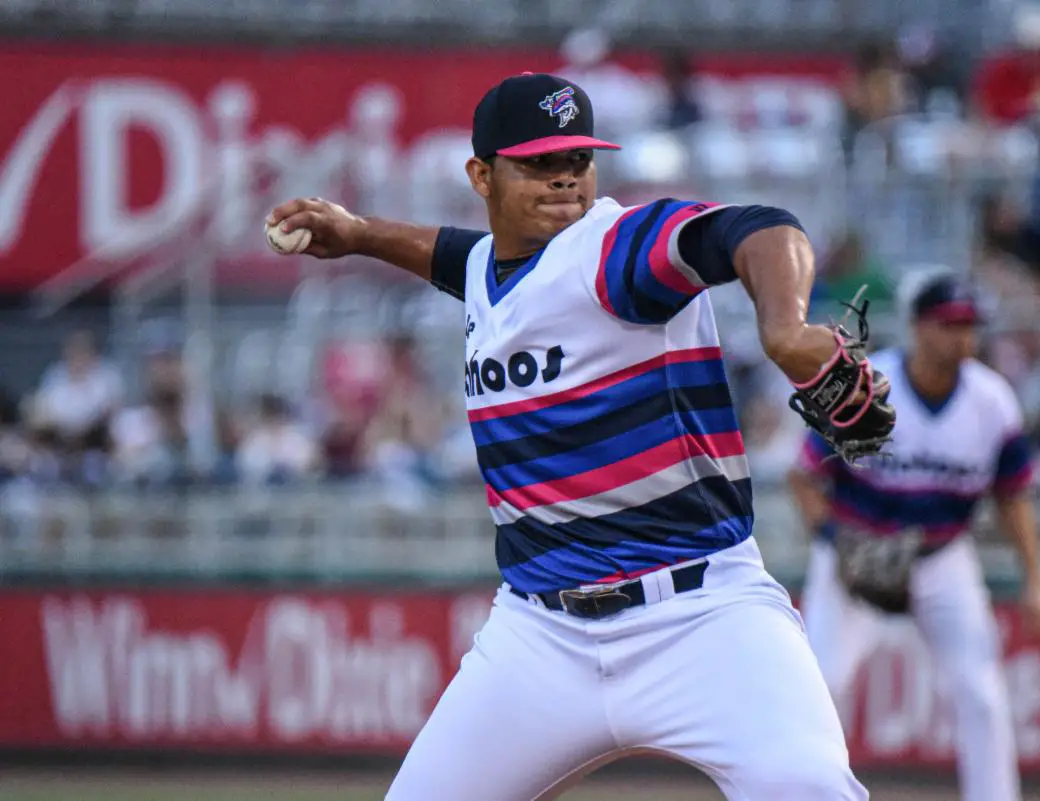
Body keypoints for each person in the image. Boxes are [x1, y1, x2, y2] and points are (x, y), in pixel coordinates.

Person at [267, 73, 894, 800]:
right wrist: (358, 233)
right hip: (541, 637)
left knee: (807, 786)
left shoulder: (616, 249)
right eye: (536, 161)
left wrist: (784, 323)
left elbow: (758, 227)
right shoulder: (487, 271)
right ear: (481, 174)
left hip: (699, 617)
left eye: (577, 157)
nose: (564, 174)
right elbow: (456, 257)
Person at [788, 269, 1040, 801]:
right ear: (917, 327)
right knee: (823, 685)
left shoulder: (992, 402)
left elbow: (1013, 495)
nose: (962, 336)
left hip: (943, 556)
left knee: (981, 694)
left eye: (969, 325)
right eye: (948, 323)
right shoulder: (867, 386)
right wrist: (835, 540)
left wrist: (1035, 579)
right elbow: (804, 477)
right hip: (855, 551)